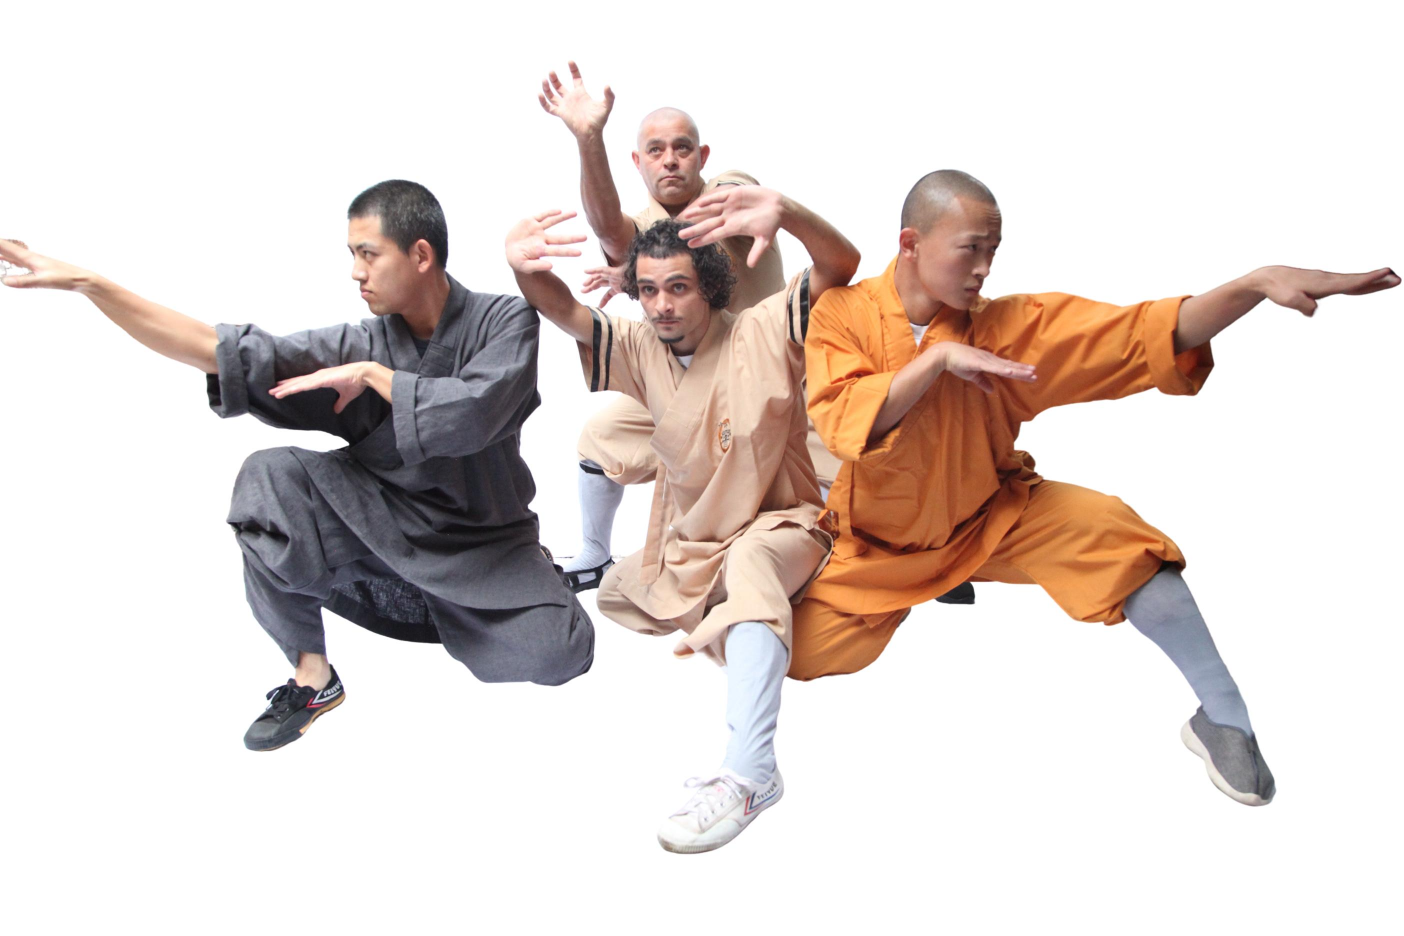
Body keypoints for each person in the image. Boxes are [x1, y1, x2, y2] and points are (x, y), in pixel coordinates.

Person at [793, 169, 1399, 806]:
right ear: (910, 243)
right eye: (970, 249)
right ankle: (931, 584)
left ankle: (1225, 718)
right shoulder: (843, 313)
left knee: (1121, 541)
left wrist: (1251, 284)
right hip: (881, 547)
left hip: (989, 515)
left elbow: (1144, 332)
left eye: (993, 251)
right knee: (800, 651)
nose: (984, 269)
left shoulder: (1008, 325)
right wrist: (938, 361)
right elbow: (843, 418)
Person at [0, 180, 594, 752]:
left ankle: (509, 588)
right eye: (351, 255)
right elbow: (218, 350)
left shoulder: (504, 321)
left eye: (368, 254)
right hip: (385, 527)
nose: (355, 271)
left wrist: (374, 377)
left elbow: (471, 415)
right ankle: (313, 677)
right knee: (269, 479)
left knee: (560, 652)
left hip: (485, 541)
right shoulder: (361, 342)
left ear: (420, 255)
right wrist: (90, 284)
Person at [504, 184, 859, 852]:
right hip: (698, 544)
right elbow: (565, 311)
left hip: (785, 524)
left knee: (752, 564)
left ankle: (751, 773)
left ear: (711, 288)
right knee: (619, 591)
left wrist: (790, 213)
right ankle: (749, 629)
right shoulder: (641, 347)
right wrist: (522, 266)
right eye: (648, 291)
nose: (662, 305)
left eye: (678, 288)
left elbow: (840, 266)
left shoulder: (762, 328)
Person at [536, 61, 846, 592]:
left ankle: (904, 545)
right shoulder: (643, 224)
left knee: (846, 475)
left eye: (682, 148)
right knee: (598, 440)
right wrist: (589, 140)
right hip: (686, 389)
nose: (670, 160)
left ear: (702, 156)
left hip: (772, 386)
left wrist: (637, 261)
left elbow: (687, 227)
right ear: (637, 162)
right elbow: (611, 229)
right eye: (656, 151)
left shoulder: (733, 188)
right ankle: (594, 555)